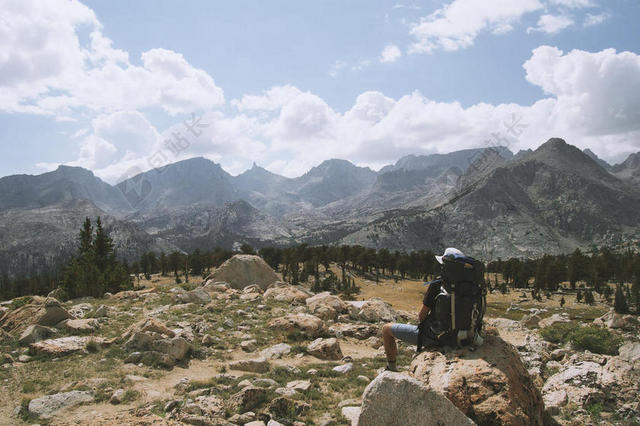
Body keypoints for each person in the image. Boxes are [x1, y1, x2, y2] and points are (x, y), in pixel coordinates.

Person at [381, 247, 464, 371]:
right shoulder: (471, 287)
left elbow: (421, 317)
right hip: (465, 336)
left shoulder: (438, 284)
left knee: (386, 329)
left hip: (437, 337)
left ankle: (391, 367)